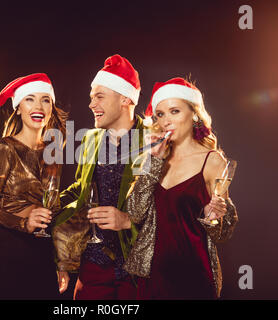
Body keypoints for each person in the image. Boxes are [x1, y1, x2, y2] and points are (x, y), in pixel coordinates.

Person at [124, 77, 239, 299]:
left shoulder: (213, 161)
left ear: (194, 114)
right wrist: (153, 163)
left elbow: (223, 232)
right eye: (160, 114)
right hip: (152, 277)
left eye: (174, 111)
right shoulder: (153, 158)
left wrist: (213, 217)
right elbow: (134, 213)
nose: (166, 120)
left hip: (193, 277)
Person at [53, 54, 145, 300]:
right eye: (91, 97)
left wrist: (128, 220)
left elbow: (167, 207)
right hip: (93, 266)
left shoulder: (154, 140)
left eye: (99, 96)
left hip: (137, 269)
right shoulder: (90, 139)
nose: (91, 104)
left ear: (126, 98)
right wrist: (46, 204)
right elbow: (80, 190)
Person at [0, 73, 68, 299]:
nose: (38, 105)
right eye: (30, 99)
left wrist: (62, 262)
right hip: (8, 249)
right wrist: (22, 223)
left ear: (51, 108)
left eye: (45, 100)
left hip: (42, 250)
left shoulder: (53, 152)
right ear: (18, 107)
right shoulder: (5, 148)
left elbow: (54, 209)